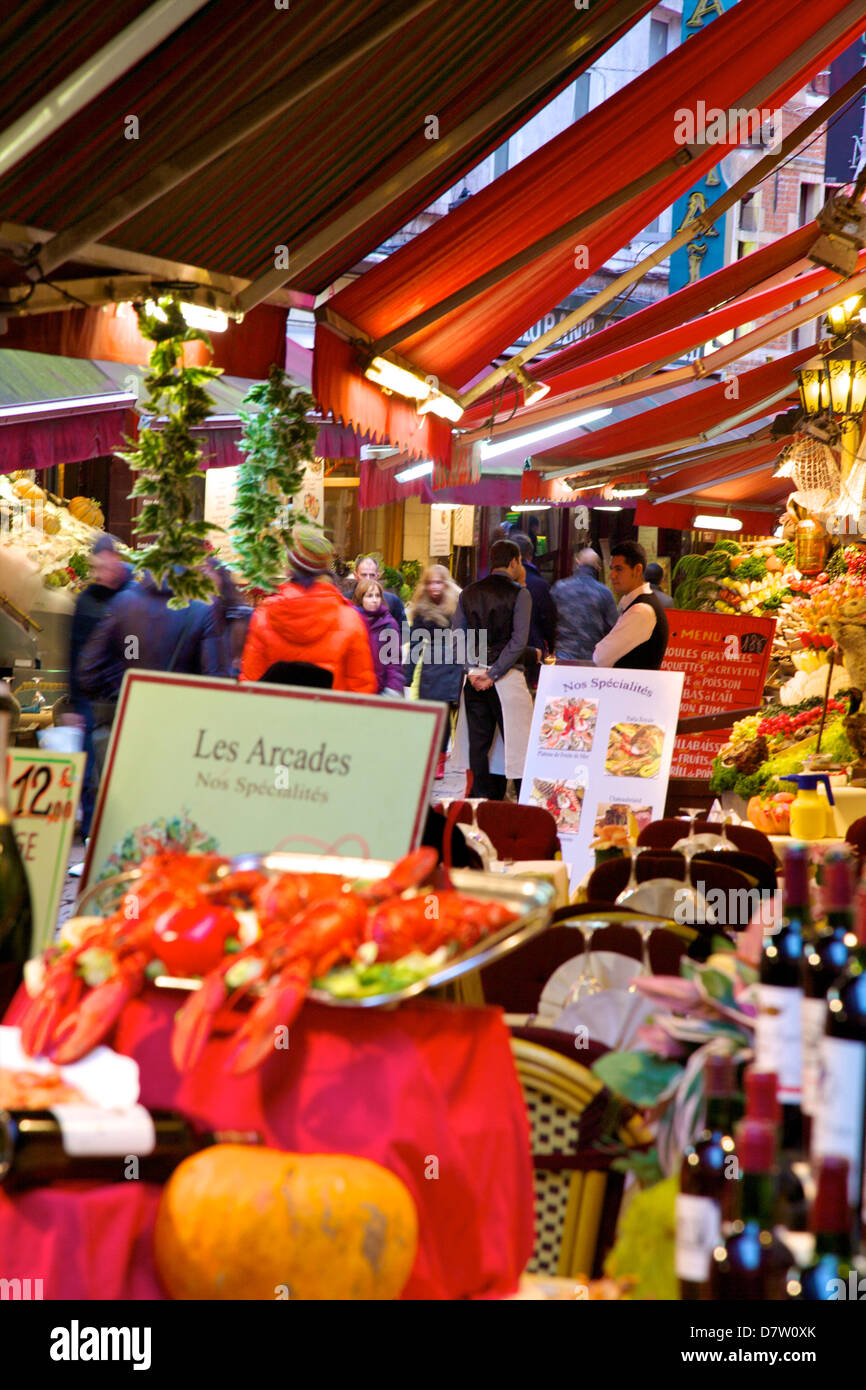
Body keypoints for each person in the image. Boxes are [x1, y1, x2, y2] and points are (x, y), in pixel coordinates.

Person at [240, 527, 376, 692]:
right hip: (330, 716)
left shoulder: (264, 616)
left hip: (275, 716)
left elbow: (250, 686)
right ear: (324, 568)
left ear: (289, 567)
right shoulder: (350, 619)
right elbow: (361, 690)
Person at [78, 567, 230, 709]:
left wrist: (116, 695)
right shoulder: (203, 608)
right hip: (181, 719)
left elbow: (89, 671)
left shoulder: (124, 602)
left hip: (130, 717)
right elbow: (216, 682)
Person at [451, 538, 533, 800]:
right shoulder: (520, 593)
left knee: (479, 748)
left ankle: (481, 804)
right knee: (519, 747)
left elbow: (457, 637)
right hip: (508, 680)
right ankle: (524, 806)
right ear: (514, 562)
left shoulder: (468, 593)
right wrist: (494, 673)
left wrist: (473, 670)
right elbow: (518, 641)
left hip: (474, 681)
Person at [68, 536, 133, 835]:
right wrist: (73, 700)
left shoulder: (132, 599)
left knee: (118, 769)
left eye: (104, 566)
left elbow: (134, 649)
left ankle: (112, 830)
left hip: (121, 695)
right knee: (90, 769)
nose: (100, 574)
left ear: (116, 560)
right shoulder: (87, 600)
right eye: (96, 568)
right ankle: (92, 832)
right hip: (90, 697)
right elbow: (75, 651)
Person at [404, 564, 463, 779]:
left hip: (453, 665)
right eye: (430, 582)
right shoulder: (422, 607)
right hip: (431, 665)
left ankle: (439, 759)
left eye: (438, 582)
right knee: (429, 713)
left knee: (445, 712)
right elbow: (415, 642)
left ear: (446, 583)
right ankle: (430, 756)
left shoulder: (458, 604)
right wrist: (408, 674)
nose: (434, 587)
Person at [593, 539, 670, 669]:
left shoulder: (641, 610)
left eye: (619, 569)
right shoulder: (639, 604)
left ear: (637, 570)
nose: (612, 575)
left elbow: (600, 658)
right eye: (612, 569)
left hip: (632, 688)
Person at [551, 548, 617, 661]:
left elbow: (549, 620)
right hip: (592, 658)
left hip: (564, 655)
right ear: (598, 568)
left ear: (577, 562)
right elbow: (614, 628)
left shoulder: (559, 588)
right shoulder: (604, 593)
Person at [510, 532, 556, 689]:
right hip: (532, 651)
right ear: (530, 555)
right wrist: (551, 645)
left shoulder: (495, 584)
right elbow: (548, 619)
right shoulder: (540, 584)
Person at [354, 578, 405, 697]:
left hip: (381, 689)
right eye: (369, 596)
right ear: (360, 598)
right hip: (357, 688)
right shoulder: (353, 620)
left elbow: (394, 661)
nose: (374, 600)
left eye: (377, 596)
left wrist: (392, 689)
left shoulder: (389, 624)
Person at [350, 555, 406, 630]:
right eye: (364, 575)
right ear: (355, 576)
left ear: (377, 576)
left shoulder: (392, 601)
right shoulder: (346, 599)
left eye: (372, 575)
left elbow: (405, 631)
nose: (368, 579)